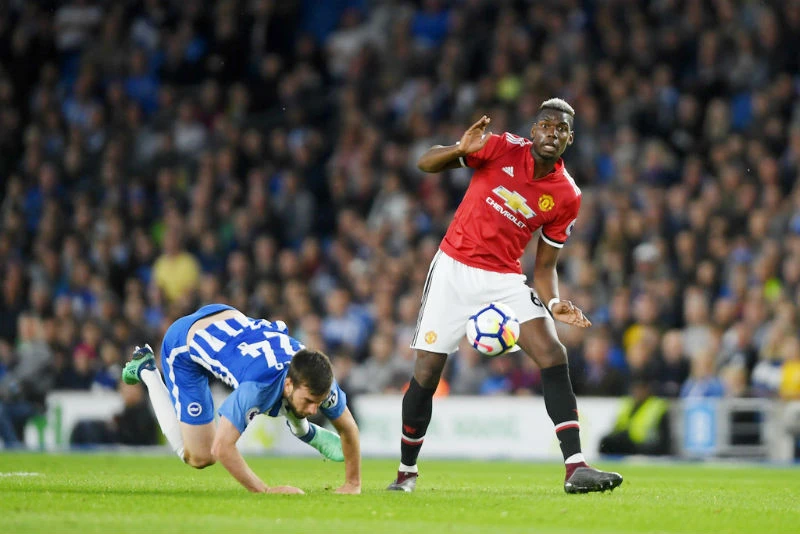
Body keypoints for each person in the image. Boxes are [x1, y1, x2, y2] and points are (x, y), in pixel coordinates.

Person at [388, 99, 623, 493]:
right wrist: (460, 151)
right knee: (427, 372)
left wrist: (553, 303)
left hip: (504, 278)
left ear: (570, 139)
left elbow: (545, 268)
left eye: (561, 129)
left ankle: (575, 467)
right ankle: (406, 472)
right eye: (545, 125)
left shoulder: (567, 195)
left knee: (553, 353)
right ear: (533, 131)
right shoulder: (499, 148)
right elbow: (425, 163)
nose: (552, 132)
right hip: (454, 269)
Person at [122, 303, 361, 494]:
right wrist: (265, 491)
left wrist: (353, 484)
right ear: (290, 384)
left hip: (228, 320)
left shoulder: (317, 377)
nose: (314, 408)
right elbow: (222, 447)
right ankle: (147, 369)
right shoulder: (257, 386)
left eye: (317, 402)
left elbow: (348, 428)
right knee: (200, 457)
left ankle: (303, 430)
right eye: (309, 401)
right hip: (184, 344)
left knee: (281, 401)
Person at [599, 372, 672, 456]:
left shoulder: (657, 406)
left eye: (641, 388)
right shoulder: (627, 403)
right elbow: (617, 426)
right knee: (606, 442)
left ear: (648, 389)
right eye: (636, 388)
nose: (637, 392)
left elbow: (663, 438)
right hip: (627, 442)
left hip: (645, 445)